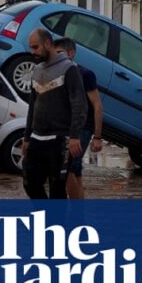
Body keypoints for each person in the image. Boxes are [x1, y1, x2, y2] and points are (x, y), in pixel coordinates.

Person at [21, 28, 87, 199]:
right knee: (30, 183)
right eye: (31, 48)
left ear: (48, 44)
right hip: (37, 138)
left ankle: (55, 223)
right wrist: (27, 138)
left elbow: (79, 105)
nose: (32, 52)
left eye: (35, 47)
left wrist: (74, 136)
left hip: (60, 140)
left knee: (57, 188)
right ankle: (47, 218)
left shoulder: (69, 69)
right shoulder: (36, 71)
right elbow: (32, 106)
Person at [54, 37, 104, 199]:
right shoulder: (56, 74)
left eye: (60, 53)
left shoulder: (85, 74)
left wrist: (97, 137)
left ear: (72, 53)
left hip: (82, 128)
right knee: (75, 171)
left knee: (68, 169)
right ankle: (78, 213)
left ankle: (74, 213)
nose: (57, 57)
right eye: (55, 54)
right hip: (64, 128)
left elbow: (97, 105)